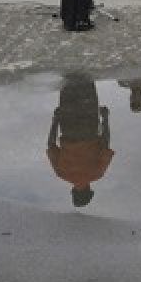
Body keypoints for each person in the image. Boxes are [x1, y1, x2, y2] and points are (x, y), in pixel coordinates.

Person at [47, 73, 113, 207]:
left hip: (89, 125)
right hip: (67, 125)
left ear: (89, 190)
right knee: (68, 79)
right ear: (73, 192)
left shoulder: (97, 173)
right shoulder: (61, 173)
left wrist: (105, 118)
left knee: (86, 79)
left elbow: (105, 144)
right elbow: (50, 144)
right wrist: (56, 119)